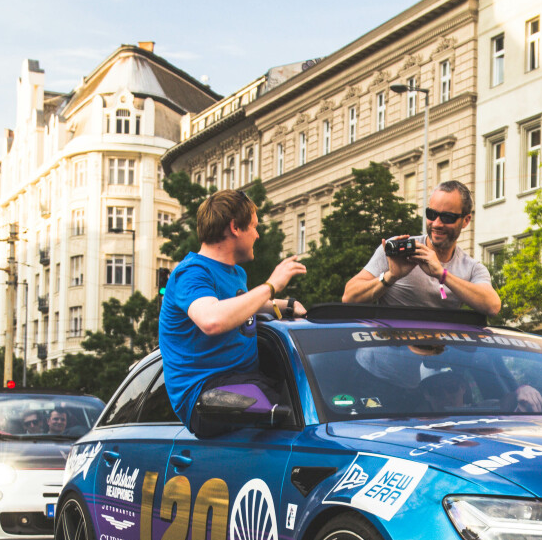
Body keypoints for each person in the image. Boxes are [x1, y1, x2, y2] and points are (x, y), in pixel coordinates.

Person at [159, 189, 306, 435]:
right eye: (254, 227)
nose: (257, 235)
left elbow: (239, 304)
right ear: (235, 227)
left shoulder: (236, 274)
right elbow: (212, 320)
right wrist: (271, 286)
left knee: (302, 383)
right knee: (293, 407)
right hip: (207, 396)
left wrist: (285, 304)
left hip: (245, 381)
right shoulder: (192, 273)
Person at [342, 181, 500, 314]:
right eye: (431, 214)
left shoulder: (471, 268)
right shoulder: (395, 251)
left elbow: (492, 306)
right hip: (391, 347)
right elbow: (349, 297)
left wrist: (441, 274)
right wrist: (391, 276)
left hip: (438, 348)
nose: (437, 224)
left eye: (447, 217)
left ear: (465, 220)